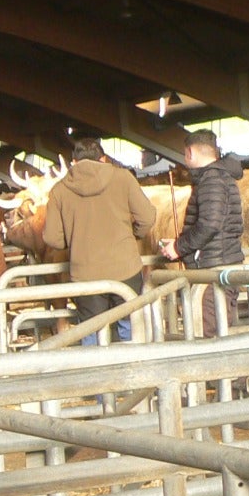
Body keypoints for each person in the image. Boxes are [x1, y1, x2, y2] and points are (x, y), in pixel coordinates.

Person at [42, 137, 156, 344]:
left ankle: (97, 373)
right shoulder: (124, 178)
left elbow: (52, 238)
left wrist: (75, 241)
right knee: (129, 325)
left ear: (74, 162)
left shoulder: (59, 190)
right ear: (103, 159)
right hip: (126, 267)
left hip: (85, 273)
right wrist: (133, 236)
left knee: (91, 329)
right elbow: (147, 218)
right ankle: (131, 372)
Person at [160, 130, 246, 334]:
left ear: (190, 152)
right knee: (217, 331)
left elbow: (210, 224)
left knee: (208, 334)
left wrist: (179, 247)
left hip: (212, 267)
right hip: (218, 264)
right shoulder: (218, 177)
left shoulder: (211, 180)